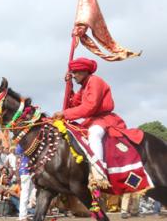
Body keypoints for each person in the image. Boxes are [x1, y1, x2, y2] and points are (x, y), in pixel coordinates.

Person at [53, 57, 142, 186]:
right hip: (92, 120)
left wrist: (64, 114)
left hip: (104, 120)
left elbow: (90, 107)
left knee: (94, 133)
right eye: (72, 73)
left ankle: (99, 171)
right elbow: (73, 104)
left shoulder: (95, 81)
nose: (74, 76)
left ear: (84, 72)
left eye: (76, 72)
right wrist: (70, 86)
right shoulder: (83, 87)